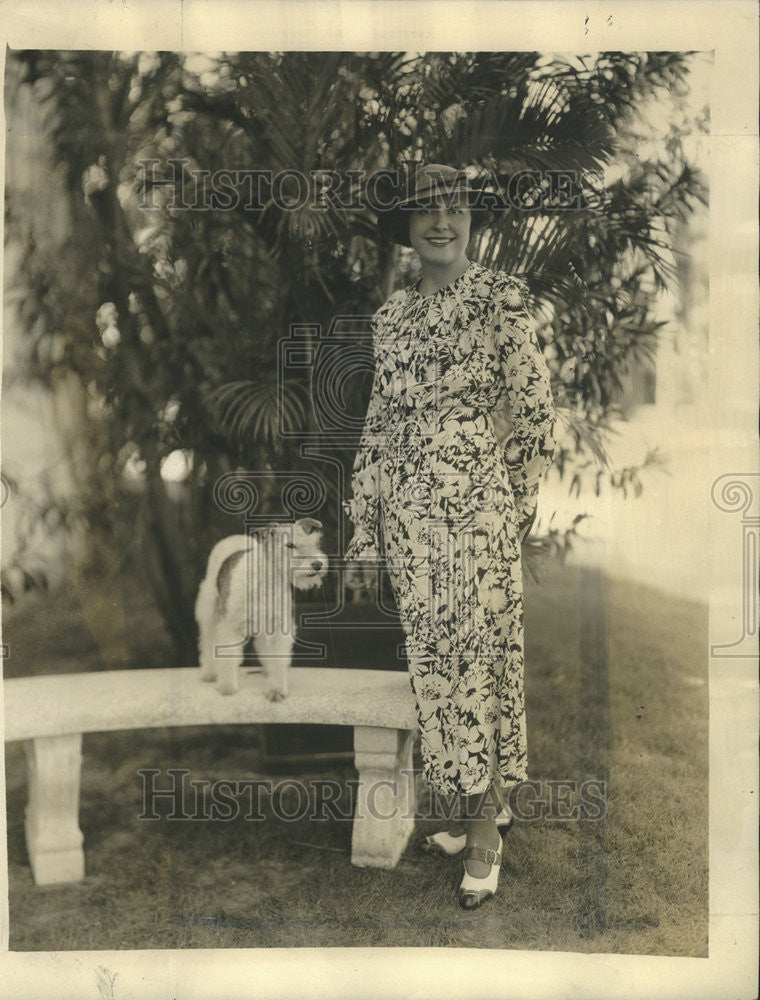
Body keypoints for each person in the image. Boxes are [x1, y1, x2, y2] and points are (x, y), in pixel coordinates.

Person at [342, 164, 556, 909]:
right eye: (426, 211)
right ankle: (473, 814)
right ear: (405, 226)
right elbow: (377, 428)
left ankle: (485, 833)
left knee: (477, 668)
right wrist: (363, 536)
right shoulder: (392, 317)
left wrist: (516, 505)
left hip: (476, 516)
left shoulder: (499, 298)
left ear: (472, 220)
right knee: (438, 674)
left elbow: (533, 410)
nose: (442, 221)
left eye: (455, 208)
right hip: (408, 525)